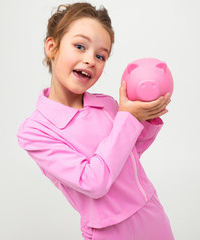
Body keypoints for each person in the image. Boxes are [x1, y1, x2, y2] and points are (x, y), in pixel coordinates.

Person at [17, 2, 174, 239]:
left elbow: (128, 156)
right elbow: (94, 182)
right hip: (108, 231)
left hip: (150, 215)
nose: (91, 59)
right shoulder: (36, 132)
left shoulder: (107, 104)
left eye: (101, 55)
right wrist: (128, 118)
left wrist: (145, 119)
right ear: (52, 46)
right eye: (80, 46)